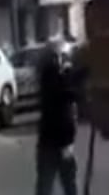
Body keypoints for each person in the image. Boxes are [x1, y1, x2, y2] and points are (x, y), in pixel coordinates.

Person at [35, 45, 81, 195]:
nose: (60, 61)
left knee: (48, 184)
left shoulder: (51, 78)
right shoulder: (52, 78)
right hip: (59, 142)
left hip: (53, 142)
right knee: (66, 183)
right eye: (57, 57)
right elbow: (67, 93)